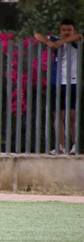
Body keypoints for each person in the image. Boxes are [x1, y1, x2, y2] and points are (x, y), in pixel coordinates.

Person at [35, 19, 80, 155]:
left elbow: (79, 36)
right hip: (57, 82)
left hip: (72, 82)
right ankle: (61, 146)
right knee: (58, 115)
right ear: (60, 31)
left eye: (69, 30)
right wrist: (48, 42)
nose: (66, 32)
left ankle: (75, 145)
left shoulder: (75, 42)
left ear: (72, 30)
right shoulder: (54, 40)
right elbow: (37, 35)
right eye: (64, 30)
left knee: (72, 115)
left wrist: (61, 42)